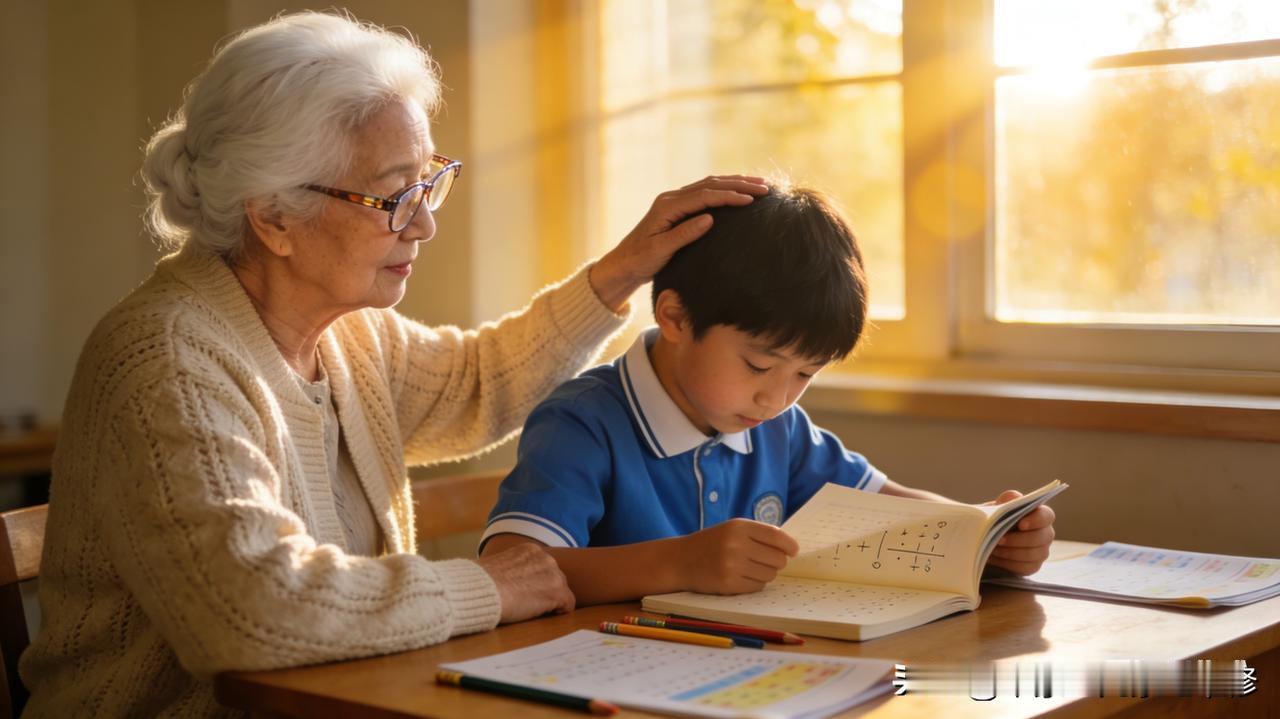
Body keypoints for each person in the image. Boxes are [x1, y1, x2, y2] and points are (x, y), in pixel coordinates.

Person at [18, 11, 767, 717]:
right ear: (273, 215)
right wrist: (481, 588)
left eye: (428, 179)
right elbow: (250, 609)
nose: (427, 221)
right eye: (394, 195)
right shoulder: (168, 359)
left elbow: (481, 383)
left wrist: (624, 269)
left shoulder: (348, 335)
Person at [480, 184, 1057, 606]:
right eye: (759, 364)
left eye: (804, 375)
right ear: (675, 316)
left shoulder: (780, 429)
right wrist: (680, 562)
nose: (776, 398)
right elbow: (508, 569)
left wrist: (982, 531)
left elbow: (886, 504)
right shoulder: (583, 423)